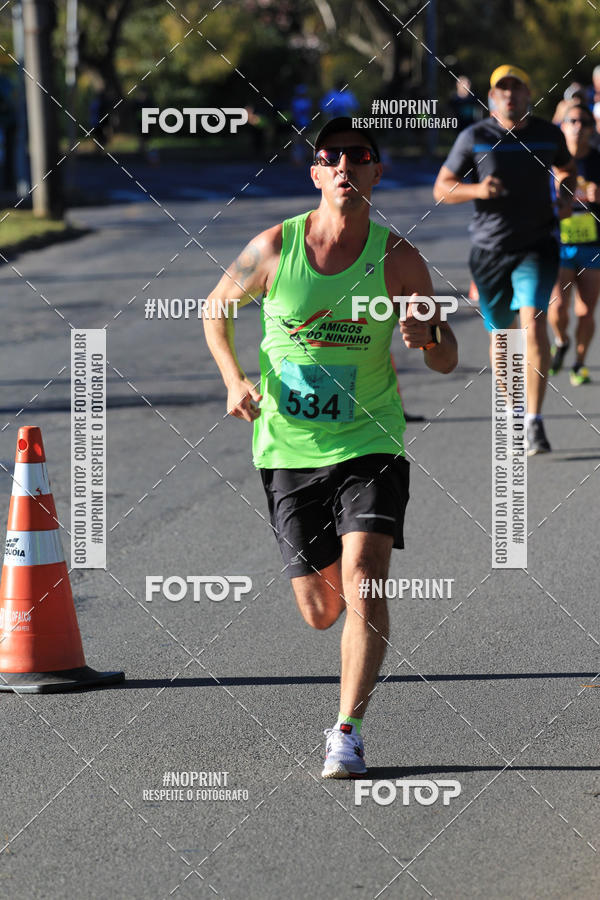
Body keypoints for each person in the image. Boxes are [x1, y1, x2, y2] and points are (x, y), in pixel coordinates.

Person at [203, 116, 457, 778]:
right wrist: (234, 379)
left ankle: (347, 731)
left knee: (366, 575)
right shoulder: (273, 247)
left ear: (376, 172)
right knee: (322, 610)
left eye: (359, 156)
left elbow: (446, 360)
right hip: (287, 447)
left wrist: (427, 334)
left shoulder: (399, 258)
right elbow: (215, 308)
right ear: (315, 173)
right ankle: (347, 612)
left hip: (370, 440)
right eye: (331, 157)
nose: (345, 165)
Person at [433, 64, 576, 455]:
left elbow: (567, 168)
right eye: (502, 89)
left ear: (528, 93)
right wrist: (478, 188)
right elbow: (441, 189)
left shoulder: (549, 134)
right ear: (492, 97)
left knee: (533, 324)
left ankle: (534, 421)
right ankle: (513, 411)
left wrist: (564, 196)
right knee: (503, 337)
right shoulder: (475, 137)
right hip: (490, 250)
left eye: (516, 88)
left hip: (538, 244)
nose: (509, 95)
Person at [548, 103, 600, 385]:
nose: (577, 126)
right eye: (572, 121)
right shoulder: (550, 162)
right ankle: (561, 340)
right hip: (559, 243)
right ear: (563, 126)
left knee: (586, 310)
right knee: (556, 307)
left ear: (591, 129)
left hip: (593, 245)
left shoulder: (598, 160)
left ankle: (579, 363)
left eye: (583, 122)